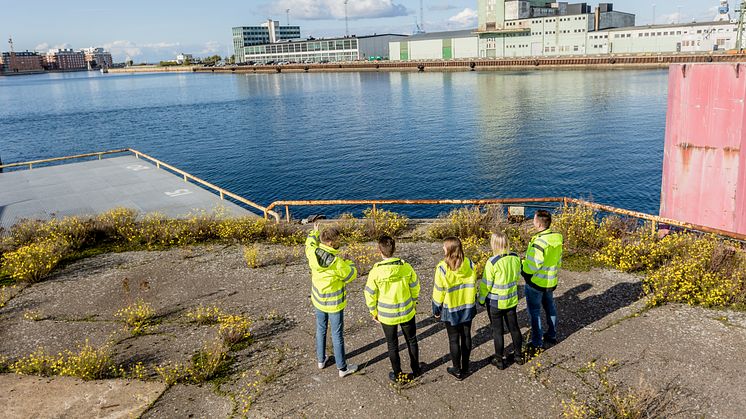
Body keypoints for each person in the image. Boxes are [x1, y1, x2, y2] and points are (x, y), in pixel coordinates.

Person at [364, 235, 422, 383]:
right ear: (394, 249)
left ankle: (398, 374)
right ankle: (416, 369)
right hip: (407, 311)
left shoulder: (375, 272)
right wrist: (414, 301)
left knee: (392, 345)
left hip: (386, 315)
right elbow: (415, 286)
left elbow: (370, 293)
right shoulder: (406, 267)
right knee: (412, 340)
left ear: (379, 250)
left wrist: (373, 311)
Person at [305, 222, 358, 378]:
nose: (339, 242)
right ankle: (342, 368)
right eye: (337, 240)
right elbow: (351, 275)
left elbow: (309, 243)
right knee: (337, 334)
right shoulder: (336, 263)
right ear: (330, 242)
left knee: (320, 329)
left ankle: (321, 360)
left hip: (318, 300)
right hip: (334, 303)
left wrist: (314, 232)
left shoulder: (312, 252)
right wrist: (350, 262)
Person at [432, 237, 478, 380]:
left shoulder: (442, 268)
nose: (443, 249)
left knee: (453, 339)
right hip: (467, 306)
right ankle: (466, 366)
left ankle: (456, 369)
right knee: (466, 336)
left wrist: (436, 309)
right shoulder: (470, 264)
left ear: (449, 250)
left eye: (444, 247)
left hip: (451, 308)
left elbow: (439, 291)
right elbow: (474, 283)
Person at [479, 232, 524, 369]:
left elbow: (486, 285)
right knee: (514, 328)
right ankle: (518, 355)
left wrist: (481, 300)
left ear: (494, 244)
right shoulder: (515, 257)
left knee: (498, 331)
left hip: (495, 302)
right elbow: (517, 277)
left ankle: (499, 359)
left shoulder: (492, 262)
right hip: (511, 300)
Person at [522, 210, 564, 353]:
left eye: (533, 219)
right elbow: (558, 261)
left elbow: (533, 265)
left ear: (538, 223)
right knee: (550, 307)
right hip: (551, 280)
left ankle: (537, 342)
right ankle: (552, 334)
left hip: (536, 282)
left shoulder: (539, 242)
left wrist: (523, 269)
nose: (532, 221)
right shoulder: (557, 238)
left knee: (534, 312)